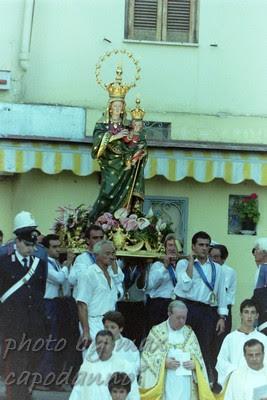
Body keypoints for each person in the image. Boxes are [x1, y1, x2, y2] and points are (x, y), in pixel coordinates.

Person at [0, 211, 47, 400]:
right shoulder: (3, 263)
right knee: (16, 362)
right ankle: (16, 395)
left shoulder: (39, 264)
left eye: (32, 245)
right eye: (27, 244)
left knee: (33, 360)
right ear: (17, 242)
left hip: (35, 323)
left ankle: (25, 391)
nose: (30, 249)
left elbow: (39, 292)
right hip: (12, 323)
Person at [89, 66, 147, 220]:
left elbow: (137, 140)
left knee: (123, 194)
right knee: (107, 191)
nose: (117, 109)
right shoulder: (101, 125)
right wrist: (115, 137)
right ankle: (98, 219)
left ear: (123, 109)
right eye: (114, 106)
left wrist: (140, 151)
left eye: (119, 106)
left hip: (125, 167)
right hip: (110, 166)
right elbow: (96, 147)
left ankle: (120, 219)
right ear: (109, 107)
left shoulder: (128, 126)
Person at [174, 231, 228, 383]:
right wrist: (191, 262)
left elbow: (221, 295)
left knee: (204, 347)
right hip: (185, 308)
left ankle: (203, 383)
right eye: (201, 245)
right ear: (193, 246)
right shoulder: (183, 264)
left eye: (207, 245)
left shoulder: (217, 269)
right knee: (183, 346)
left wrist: (222, 317)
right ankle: (182, 381)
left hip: (206, 311)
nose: (204, 248)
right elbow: (185, 286)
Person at [139, 300, 212, 400]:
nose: (182, 321)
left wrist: (195, 365)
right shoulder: (157, 332)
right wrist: (163, 362)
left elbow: (199, 360)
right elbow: (146, 358)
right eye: (178, 318)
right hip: (165, 381)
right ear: (169, 314)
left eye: (184, 318)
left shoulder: (190, 334)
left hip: (185, 384)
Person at [36, 234, 73, 391]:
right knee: (50, 342)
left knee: (59, 343)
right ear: (46, 248)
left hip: (59, 303)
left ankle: (54, 379)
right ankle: (42, 379)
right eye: (54, 247)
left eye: (59, 246)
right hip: (48, 304)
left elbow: (67, 282)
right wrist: (67, 264)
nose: (58, 249)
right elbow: (58, 279)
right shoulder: (44, 263)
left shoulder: (57, 263)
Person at [76, 240, 123, 346]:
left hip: (111, 324)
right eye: (107, 253)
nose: (112, 257)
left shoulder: (112, 274)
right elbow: (82, 305)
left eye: (113, 253)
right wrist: (86, 332)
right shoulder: (88, 274)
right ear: (96, 255)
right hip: (93, 324)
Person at [69, 330, 140, 400]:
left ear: (113, 345)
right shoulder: (87, 366)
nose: (102, 346)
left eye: (106, 343)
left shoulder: (125, 366)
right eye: (99, 343)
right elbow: (77, 392)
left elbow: (134, 394)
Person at [216, 299, 267, 390]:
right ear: (241, 315)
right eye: (246, 312)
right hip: (235, 384)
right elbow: (221, 361)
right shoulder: (230, 338)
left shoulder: (263, 339)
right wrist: (236, 371)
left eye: (253, 312)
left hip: (256, 384)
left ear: (257, 316)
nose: (249, 316)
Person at [146, 234, 182, 332]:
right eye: (169, 245)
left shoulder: (182, 265)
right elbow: (150, 285)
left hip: (175, 305)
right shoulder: (158, 265)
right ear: (165, 248)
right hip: (159, 305)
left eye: (175, 245)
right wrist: (165, 268)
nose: (172, 248)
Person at [117, 257, 147, 347]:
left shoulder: (142, 269)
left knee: (136, 333)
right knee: (123, 333)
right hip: (123, 305)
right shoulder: (121, 268)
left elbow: (142, 285)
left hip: (137, 305)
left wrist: (143, 271)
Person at [209, 244, 237, 338]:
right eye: (211, 256)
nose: (212, 259)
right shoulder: (208, 268)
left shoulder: (228, 271)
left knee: (220, 341)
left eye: (216, 257)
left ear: (223, 259)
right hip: (211, 308)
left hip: (224, 308)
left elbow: (221, 291)